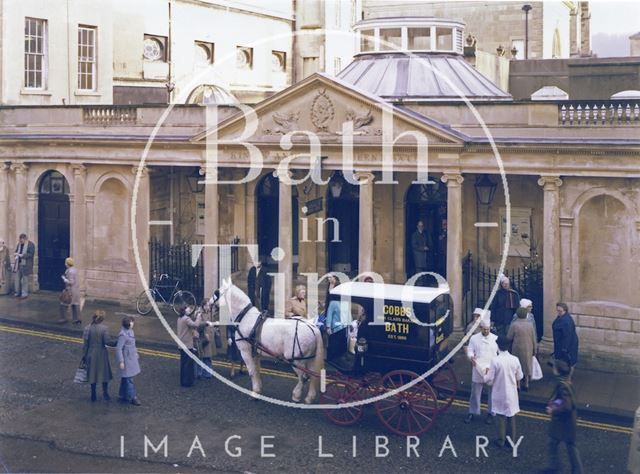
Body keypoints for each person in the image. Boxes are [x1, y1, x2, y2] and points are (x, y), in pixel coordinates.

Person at [544, 358, 584, 474]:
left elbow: (566, 405)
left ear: (558, 371)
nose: (553, 369)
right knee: (559, 444)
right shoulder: (565, 381)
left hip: (563, 422)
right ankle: (557, 467)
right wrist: (555, 403)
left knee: (568, 446)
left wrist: (553, 409)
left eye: (554, 368)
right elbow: (562, 400)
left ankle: (557, 467)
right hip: (567, 422)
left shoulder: (562, 385)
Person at [483, 335, 523, 448]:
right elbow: (520, 376)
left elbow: (489, 378)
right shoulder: (515, 360)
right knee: (511, 417)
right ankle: (511, 441)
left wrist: (485, 374)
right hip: (511, 393)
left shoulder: (495, 361)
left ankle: (501, 440)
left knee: (501, 417)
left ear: (498, 346)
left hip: (499, 392)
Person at [465, 313, 498, 424]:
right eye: (484, 329)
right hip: (478, 368)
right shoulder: (474, 338)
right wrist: (471, 357)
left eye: (488, 329)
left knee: (492, 393)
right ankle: (473, 412)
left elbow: (499, 354)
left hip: (491, 369)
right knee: (475, 392)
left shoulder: (495, 339)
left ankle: (491, 413)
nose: (486, 331)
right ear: (480, 328)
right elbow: (470, 350)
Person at [82, 310, 117, 402]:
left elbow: (85, 344)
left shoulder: (87, 328)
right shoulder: (104, 328)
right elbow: (107, 342)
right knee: (104, 374)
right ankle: (105, 393)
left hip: (90, 354)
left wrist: (84, 356)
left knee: (92, 375)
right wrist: (117, 342)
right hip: (101, 354)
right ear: (102, 319)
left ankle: (93, 395)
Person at [177, 305, 210, 387]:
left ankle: (183, 381)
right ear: (184, 310)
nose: (190, 309)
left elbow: (188, 328)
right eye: (188, 308)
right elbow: (196, 325)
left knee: (183, 364)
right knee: (188, 365)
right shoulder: (186, 319)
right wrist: (198, 316)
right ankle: (187, 382)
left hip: (181, 345)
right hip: (187, 345)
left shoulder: (180, 318)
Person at [507, 307, 537, 391]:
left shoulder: (514, 325)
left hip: (517, 347)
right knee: (526, 365)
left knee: (517, 366)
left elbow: (509, 337)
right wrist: (535, 349)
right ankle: (526, 384)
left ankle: (518, 385)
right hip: (528, 347)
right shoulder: (530, 325)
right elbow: (533, 338)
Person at [115, 317, 141, 406]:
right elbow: (118, 349)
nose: (133, 323)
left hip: (131, 357)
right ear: (128, 324)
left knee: (125, 377)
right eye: (131, 322)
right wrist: (121, 361)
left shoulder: (131, 331)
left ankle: (123, 395)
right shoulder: (123, 335)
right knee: (129, 379)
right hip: (126, 359)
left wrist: (136, 353)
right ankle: (133, 397)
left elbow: (133, 344)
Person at [552, 302, 579, 380]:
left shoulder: (566, 321)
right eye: (557, 310)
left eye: (560, 311)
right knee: (562, 359)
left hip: (568, 345)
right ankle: (562, 375)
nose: (558, 313)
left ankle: (568, 378)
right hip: (561, 343)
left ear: (565, 310)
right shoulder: (562, 317)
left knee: (570, 361)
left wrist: (565, 348)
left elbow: (567, 336)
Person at [58, 257, 82, 325]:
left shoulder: (70, 271)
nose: (65, 264)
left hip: (70, 290)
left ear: (68, 263)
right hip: (76, 290)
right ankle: (77, 319)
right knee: (75, 304)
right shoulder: (74, 269)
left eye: (66, 262)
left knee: (63, 304)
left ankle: (63, 318)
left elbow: (71, 282)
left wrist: (64, 279)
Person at [195, 300, 215, 379]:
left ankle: (208, 374)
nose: (208, 307)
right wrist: (205, 323)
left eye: (208, 305)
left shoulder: (209, 313)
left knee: (208, 358)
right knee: (201, 357)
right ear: (203, 306)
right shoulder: (199, 314)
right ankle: (199, 373)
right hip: (203, 338)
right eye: (206, 305)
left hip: (209, 338)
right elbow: (198, 325)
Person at [13, 233, 35, 298]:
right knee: (17, 279)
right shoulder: (19, 244)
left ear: (25, 239)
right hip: (18, 264)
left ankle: (24, 293)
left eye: (22, 240)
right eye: (20, 240)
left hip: (26, 265)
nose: (21, 241)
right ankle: (17, 292)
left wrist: (22, 255)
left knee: (25, 280)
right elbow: (16, 251)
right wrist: (16, 254)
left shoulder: (31, 245)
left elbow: (31, 254)